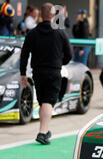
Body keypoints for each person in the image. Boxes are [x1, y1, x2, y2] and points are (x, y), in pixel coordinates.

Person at [20, 2, 73, 145]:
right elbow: (69, 54)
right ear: (53, 14)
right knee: (49, 101)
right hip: (53, 71)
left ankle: (44, 130)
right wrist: (60, 62)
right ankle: (43, 133)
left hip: (37, 72)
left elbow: (24, 55)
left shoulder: (32, 33)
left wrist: (23, 74)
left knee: (44, 101)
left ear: (40, 15)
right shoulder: (60, 32)